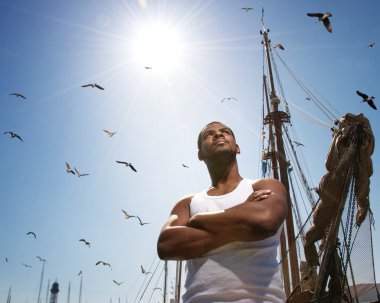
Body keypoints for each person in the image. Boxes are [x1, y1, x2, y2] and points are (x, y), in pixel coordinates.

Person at [157, 121, 288, 303]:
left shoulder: (265, 186)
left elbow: (264, 221)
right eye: (209, 134)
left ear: (238, 148)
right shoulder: (188, 203)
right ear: (200, 154)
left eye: (225, 131)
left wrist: (199, 219)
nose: (218, 135)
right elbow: (167, 245)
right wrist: (243, 215)